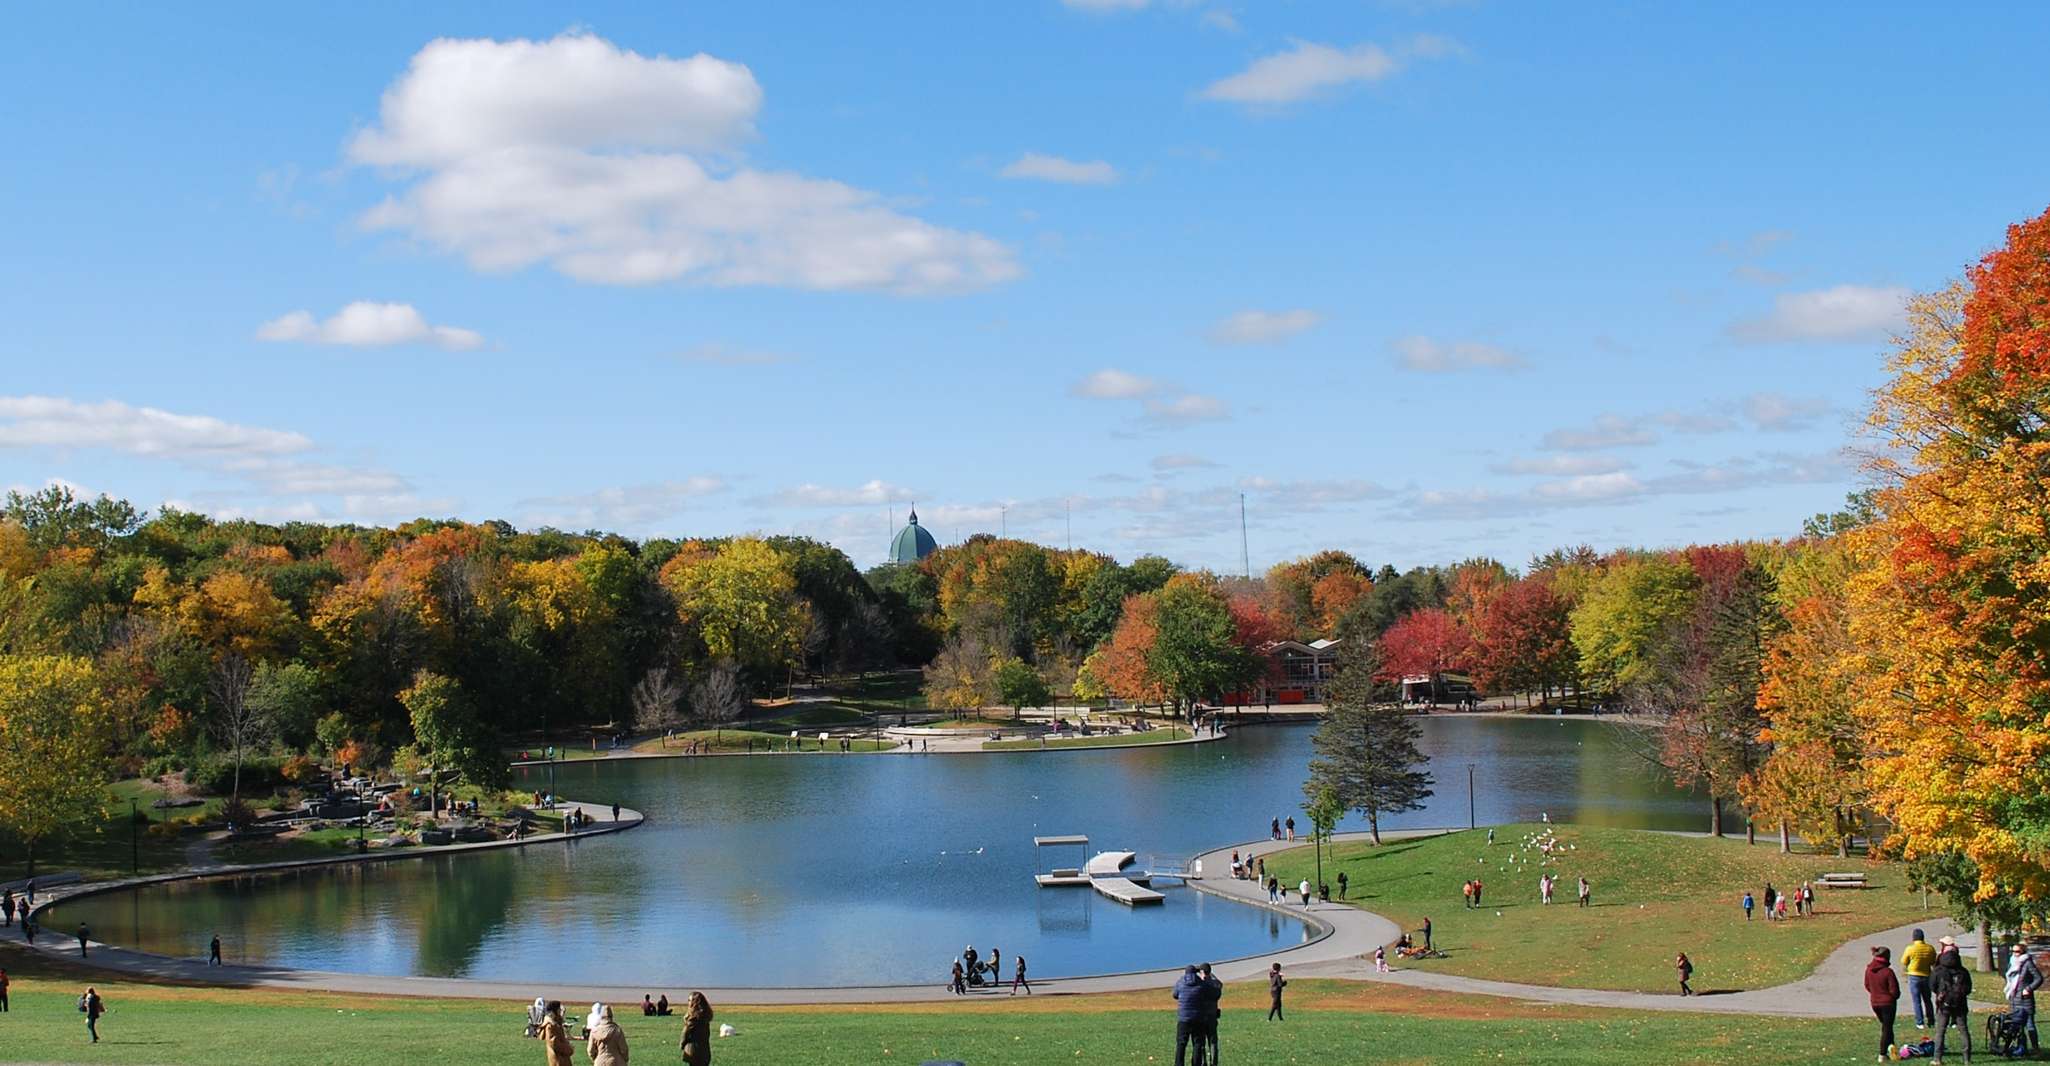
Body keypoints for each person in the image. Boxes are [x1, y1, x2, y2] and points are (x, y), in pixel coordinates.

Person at [1931, 937, 1971, 1064]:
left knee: (1940, 1031)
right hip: (1960, 1004)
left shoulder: (1938, 970)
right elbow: (1968, 988)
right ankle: (1966, 1058)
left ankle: (1937, 1058)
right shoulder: (1963, 971)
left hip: (1943, 1004)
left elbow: (1932, 985)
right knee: (1963, 1030)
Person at [2006, 940, 2042, 1054]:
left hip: (2025, 1000)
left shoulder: (2027, 963)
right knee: (2017, 1026)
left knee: (2029, 1024)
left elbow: (2039, 978)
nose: (2015, 954)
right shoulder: (2012, 962)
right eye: (2013, 951)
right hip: (2014, 998)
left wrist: (2028, 989)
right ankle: (2022, 1048)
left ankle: (2036, 1048)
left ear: (2022, 952)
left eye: (2017, 951)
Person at [1867, 945, 1901, 1062]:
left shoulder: (1869, 970)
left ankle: (1892, 1048)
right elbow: (1894, 991)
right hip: (1887, 1003)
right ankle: (1882, 1053)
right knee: (1887, 1028)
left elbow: (1867, 985)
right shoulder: (1888, 972)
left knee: (1887, 1027)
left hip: (1875, 1002)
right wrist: (1892, 997)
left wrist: (1875, 993)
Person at [1172, 965, 1207, 1066]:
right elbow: (1208, 993)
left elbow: (1175, 995)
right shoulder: (1201, 983)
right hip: (1198, 1018)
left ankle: (1179, 1064)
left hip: (1183, 1018)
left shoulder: (1181, 982)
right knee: (1197, 1043)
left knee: (1181, 1044)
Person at [1902, 929, 1936, 1030]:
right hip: (1926, 975)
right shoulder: (1929, 948)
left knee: (1916, 1001)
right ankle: (1931, 1020)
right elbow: (1932, 961)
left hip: (1914, 975)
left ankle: (1920, 1022)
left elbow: (1904, 961)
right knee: (1927, 1000)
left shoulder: (1910, 949)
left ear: (1913, 938)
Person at [678, 991, 713, 1066]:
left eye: (690, 1000)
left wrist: (682, 1044)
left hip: (695, 1053)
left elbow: (685, 1033)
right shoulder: (705, 1015)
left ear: (695, 1002)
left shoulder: (693, 1018)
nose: (688, 1002)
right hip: (705, 1052)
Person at [1198, 962, 1223, 1065]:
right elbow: (1219, 984)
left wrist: (1203, 976)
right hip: (1213, 1015)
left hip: (1202, 1016)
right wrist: (1210, 975)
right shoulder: (1215, 985)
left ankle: (1204, 1062)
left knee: (1202, 1042)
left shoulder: (1200, 985)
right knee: (1213, 1042)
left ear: (1203, 972)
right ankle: (1214, 1062)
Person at [538, 1001, 575, 1066]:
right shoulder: (550, 1027)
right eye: (559, 1009)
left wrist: (563, 1013)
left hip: (562, 1059)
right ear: (555, 1011)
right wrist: (569, 1049)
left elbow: (559, 1022)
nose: (560, 1010)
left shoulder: (555, 1023)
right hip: (559, 1061)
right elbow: (555, 1044)